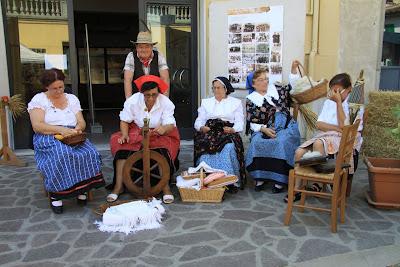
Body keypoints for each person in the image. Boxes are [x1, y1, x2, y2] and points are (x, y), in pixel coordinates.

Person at [28, 68, 104, 214]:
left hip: (72, 134)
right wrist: (61, 130)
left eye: (61, 87)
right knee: (61, 154)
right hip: (48, 136)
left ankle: (82, 188)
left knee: (89, 152)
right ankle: (57, 195)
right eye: (54, 88)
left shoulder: (71, 99)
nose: (58, 91)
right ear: (46, 87)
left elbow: (81, 122)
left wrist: (77, 129)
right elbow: (37, 126)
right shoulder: (39, 100)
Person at [286, 72, 359, 202]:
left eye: (338, 90)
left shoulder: (353, 105)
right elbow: (319, 124)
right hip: (327, 135)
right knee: (299, 152)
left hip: (341, 139)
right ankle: (297, 189)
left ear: (348, 89)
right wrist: (336, 128)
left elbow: (345, 126)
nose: (335, 93)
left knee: (318, 143)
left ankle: (318, 182)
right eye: (333, 90)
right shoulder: (328, 102)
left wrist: (338, 104)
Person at [108, 75, 180, 204]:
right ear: (142, 93)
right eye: (147, 95)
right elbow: (124, 120)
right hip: (137, 130)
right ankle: (118, 186)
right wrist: (125, 135)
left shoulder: (165, 102)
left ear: (158, 92)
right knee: (122, 150)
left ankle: (165, 188)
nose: (151, 98)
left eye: (154, 94)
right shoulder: (133, 101)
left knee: (163, 152)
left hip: (160, 132)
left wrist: (163, 129)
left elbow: (170, 124)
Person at [245, 67, 301, 193]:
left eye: (266, 79)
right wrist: (264, 129)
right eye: (260, 80)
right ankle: (261, 177)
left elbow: (293, 87)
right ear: (253, 84)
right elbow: (252, 121)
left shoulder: (277, 90)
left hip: (285, 126)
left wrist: (292, 70)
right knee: (257, 142)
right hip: (262, 127)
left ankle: (280, 180)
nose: (265, 82)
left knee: (280, 142)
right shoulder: (251, 99)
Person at [194, 76, 246, 191]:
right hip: (210, 131)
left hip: (227, 131)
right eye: (214, 88)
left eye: (218, 88)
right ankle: (208, 179)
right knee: (204, 144)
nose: (216, 90)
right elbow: (199, 120)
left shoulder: (236, 103)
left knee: (228, 147)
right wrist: (201, 127)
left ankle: (229, 180)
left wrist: (233, 130)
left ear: (225, 89)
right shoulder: (206, 102)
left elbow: (239, 122)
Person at [124, 31, 170, 98]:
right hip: (138, 98)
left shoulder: (159, 56)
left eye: (147, 46)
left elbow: (165, 78)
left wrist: (165, 101)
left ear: (152, 47)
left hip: (155, 98)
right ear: (136, 48)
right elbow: (127, 80)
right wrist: (129, 103)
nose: (144, 49)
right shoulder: (131, 56)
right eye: (140, 47)